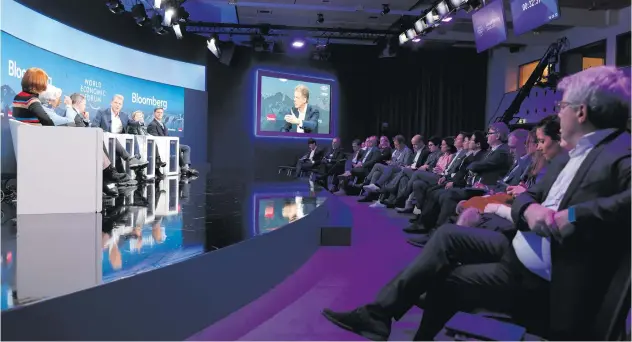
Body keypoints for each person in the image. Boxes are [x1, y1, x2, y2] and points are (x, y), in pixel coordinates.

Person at [321, 65, 631, 341]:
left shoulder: (620, 150)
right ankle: (378, 314)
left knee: (446, 282)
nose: (557, 113)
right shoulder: (570, 155)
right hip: (518, 247)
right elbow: (528, 196)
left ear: (581, 112)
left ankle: (383, 317)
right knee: (447, 236)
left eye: (561, 106)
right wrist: (530, 209)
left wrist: (573, 214)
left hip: (547, 276)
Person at [147, 107, 198, 177]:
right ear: (154, 113)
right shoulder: (152, 124)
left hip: (168, 143)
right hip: (161, 145)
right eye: (158, 112)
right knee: (177, 147)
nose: (160, 114)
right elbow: (156, 139)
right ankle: (183, 167)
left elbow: (167, 135)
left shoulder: (163, 124)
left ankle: (186, 167)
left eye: (161, 112)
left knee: (186, 148)